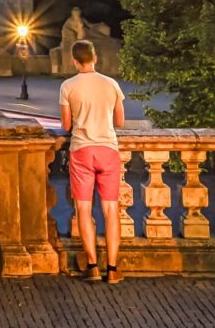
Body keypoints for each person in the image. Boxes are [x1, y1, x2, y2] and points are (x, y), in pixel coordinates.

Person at [59, 40, 125, 284]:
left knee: (84, 210)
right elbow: (120, 121)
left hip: (82, 151)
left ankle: (93, 266)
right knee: (110, 210)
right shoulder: (112, 84)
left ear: (75, 61)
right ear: (95, 58)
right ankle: (113, 268)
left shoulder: (68, 86)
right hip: (108, 150)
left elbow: (66, 125)